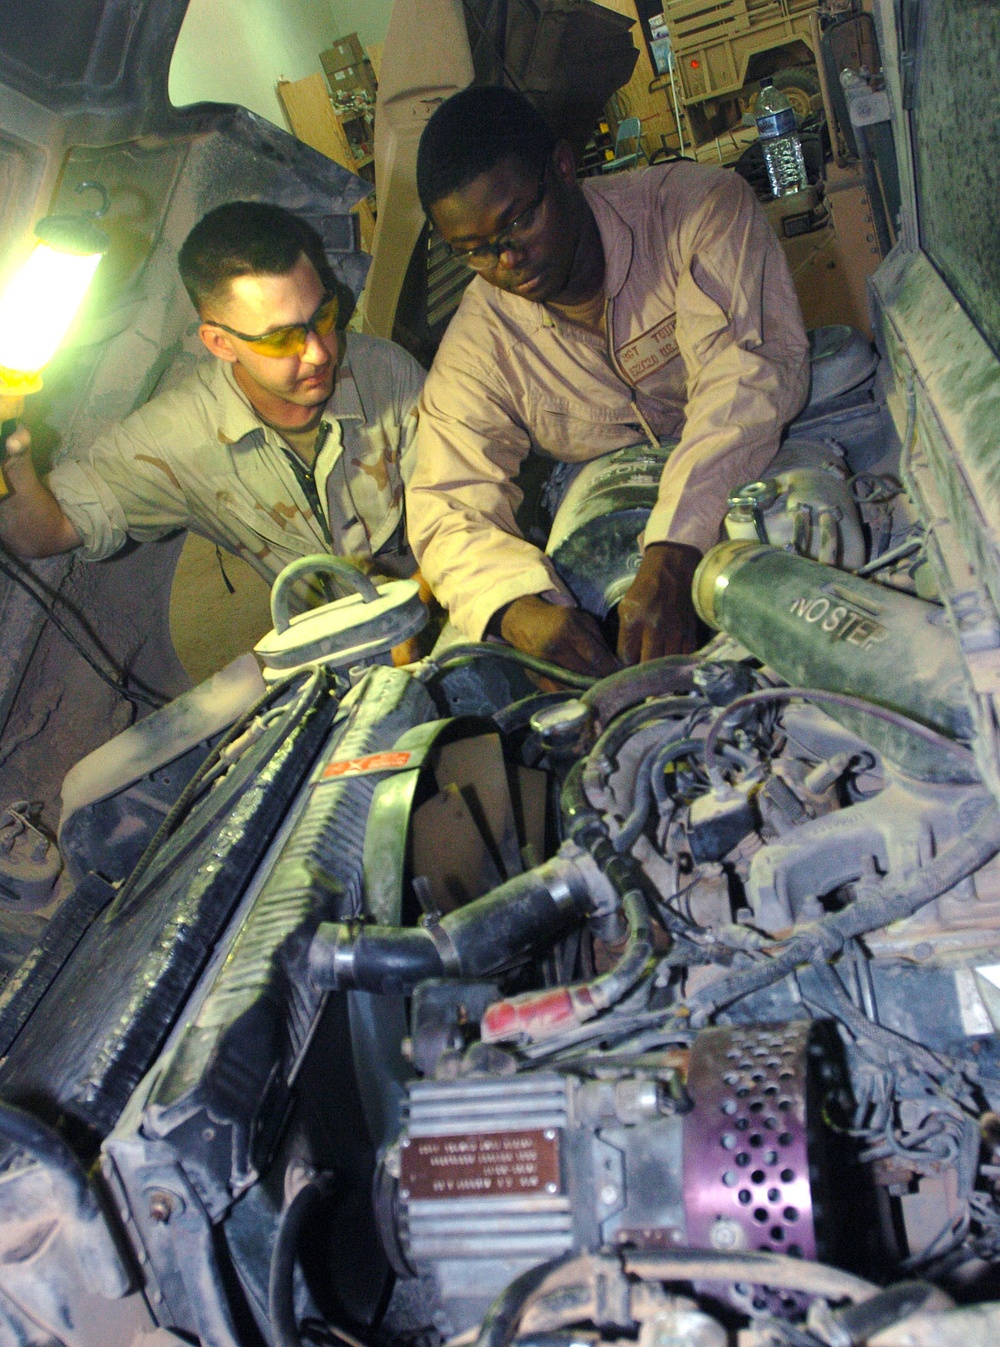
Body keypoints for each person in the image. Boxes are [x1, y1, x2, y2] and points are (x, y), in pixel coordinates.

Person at [407, 86, 810, 674]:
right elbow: (446, 504)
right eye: (474, 250)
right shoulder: (479, 343)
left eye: (517, 222)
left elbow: (744, 380)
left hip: (754, 464)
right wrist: (516, 610)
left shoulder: (695, 211)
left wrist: (673, 553)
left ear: (565, 168)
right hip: (618, 523)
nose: (506, 261)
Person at [0, 201, 426, 604]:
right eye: (281, 338)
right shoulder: (177, 436)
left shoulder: (385, 374)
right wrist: (14, 458)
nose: (317, 352)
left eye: (323, 317)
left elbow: (473, 500)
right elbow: (47, 533)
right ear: (220, 343)